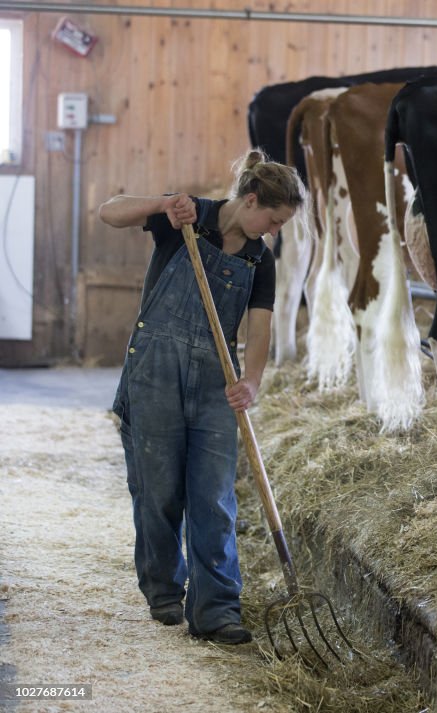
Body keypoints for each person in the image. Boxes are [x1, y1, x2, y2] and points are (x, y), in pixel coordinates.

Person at [99, 149, 304, 644]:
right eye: (273, 219)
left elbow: (259, 331)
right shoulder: (188, 218)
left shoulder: (261, 259)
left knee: (213, 497)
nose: (273, 230)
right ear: (251, 200)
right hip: (155, 373)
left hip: (217, 381)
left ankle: (215, 609)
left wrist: (251, 380)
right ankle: (165, 591)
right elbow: (110, 211)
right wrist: (164, 203)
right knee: (158, 490)